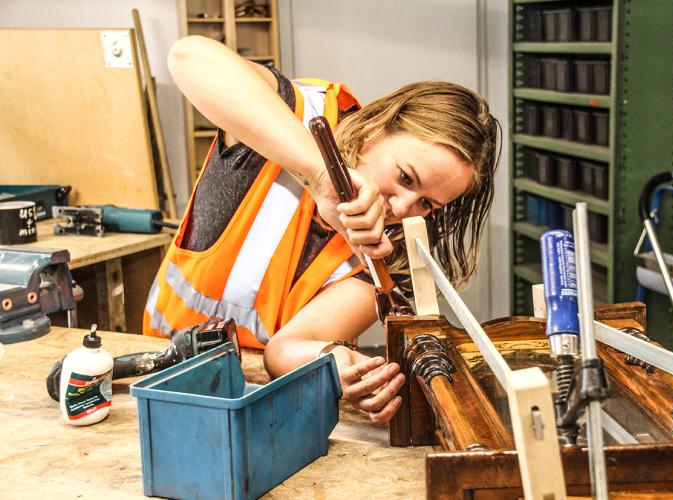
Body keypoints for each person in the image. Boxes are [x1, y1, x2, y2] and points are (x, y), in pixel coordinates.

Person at [143, 35, 501, 424]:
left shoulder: (386, 256)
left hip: (260, 410)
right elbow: (189, 56)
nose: (401, 207)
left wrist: (334, 359)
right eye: (405, 177)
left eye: (427, 204)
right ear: (375, 130)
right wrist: (318, 174)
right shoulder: (292, 117)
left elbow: (284, 352)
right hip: (155, 378)